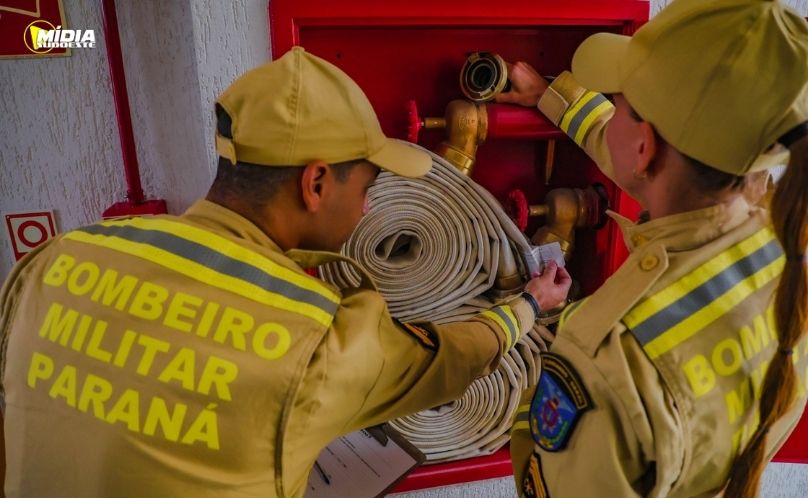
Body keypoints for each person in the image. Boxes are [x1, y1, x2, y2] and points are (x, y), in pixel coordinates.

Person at [0, 47, 571, 498]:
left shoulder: (54, 260)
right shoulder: (320, 339)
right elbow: (446, 361)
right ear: (315, 183)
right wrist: (529, 306)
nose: (367, 210)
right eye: (368, 187)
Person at [496, 0, 808, 496]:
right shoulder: (787, 251)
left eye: (618, 101)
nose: (612, 109)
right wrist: (551, 97)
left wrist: (529, 343)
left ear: (644, 146)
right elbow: (643, 155)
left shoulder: (606, 364)